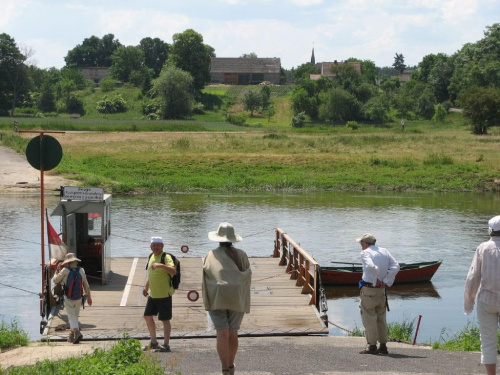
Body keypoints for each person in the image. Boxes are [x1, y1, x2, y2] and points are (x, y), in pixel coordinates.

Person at [202, 222, 252, 375]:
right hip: (236, 296)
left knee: (222, 332)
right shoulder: (241, 254)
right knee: (233, 332)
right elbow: (247, 275)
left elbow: (206, 276)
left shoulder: (210, 254)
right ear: (233, 239)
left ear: (217, 239)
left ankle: (224, 368)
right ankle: (231, 366)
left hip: (217, 297)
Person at [464, 215, 500, 375]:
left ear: (491, 231)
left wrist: (468, 302)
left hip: (486, 300)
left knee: (488, 341)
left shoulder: (483, 248)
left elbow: (473, 277)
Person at [357, 233, 400, 355]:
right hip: (381, 291)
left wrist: (376, 280)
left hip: (369, 289)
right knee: (381, 318)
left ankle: (372, 346)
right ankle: (383, 345)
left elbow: (371, 266)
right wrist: (385, 281)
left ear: (365, 243)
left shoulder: (365, 253)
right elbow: (396, 267)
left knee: (369, 318)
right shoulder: (384, 251)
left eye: (361, 243)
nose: (361, 246)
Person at [143, 236, 176, 352]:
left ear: (162, 246)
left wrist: (161, 265)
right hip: (153, 294)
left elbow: (173, 271)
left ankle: (166, 345)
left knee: (165, 319)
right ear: (150, 246)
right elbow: (151, 274)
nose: (155, 247)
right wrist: (146, 287)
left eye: (158, 245)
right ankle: (153, 342)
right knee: (147, 316)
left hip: (164, 294)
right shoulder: (151, 256)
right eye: (153, 245)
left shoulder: (166, 257)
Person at [52, 252, 92, 344]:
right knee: (75, 316)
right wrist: (89, 296)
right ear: (75, 261)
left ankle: (77, 332)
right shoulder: (81, 270)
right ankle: (71, 335)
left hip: (68, 298)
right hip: (79, 298)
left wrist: (56, 272)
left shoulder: (65, 270)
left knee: (71, 316)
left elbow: (55, 280)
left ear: (68, 262)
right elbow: (86, 284)